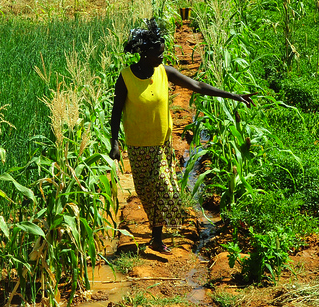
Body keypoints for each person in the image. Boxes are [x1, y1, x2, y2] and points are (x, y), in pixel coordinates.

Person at [109, 18, 255, 254]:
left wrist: (233, 95)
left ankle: (160, 234)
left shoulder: (164, 72)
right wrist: (114, 142)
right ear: (145, 54)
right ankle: (156, 239)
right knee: (148, 193)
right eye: (158, 54)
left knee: (166, 188)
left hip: (161, 143)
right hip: (138, 146)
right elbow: (116, 112)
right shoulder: (125, 78)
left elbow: (197, 85)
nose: (162, 57)